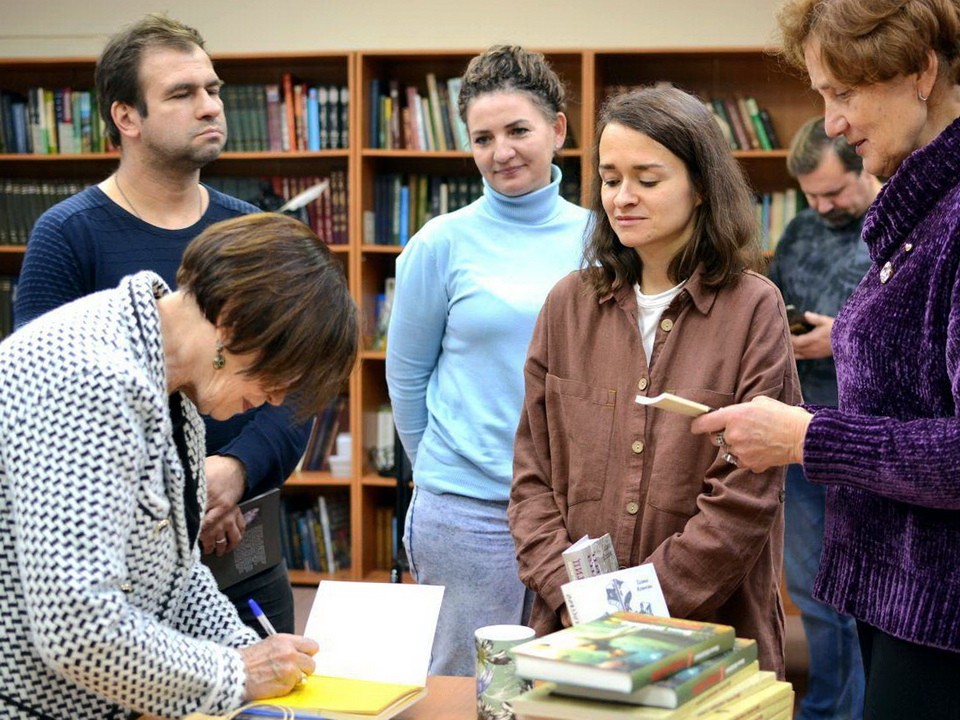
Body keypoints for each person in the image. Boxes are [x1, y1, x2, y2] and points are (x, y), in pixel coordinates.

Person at [692, 0, 960, 716]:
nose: (832, 122)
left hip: (941, 624)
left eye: (843, 93)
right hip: (902, 605)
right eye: (822, 95)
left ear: (921, 72)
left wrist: (807, 437)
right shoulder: (917, 215)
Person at [13, 13, 308, 635]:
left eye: (213, 90)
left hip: (244, 549)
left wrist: (234, 472)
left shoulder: (250, 233)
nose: (209, 107)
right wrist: (187, 495)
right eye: (182, 93)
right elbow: (53, 416)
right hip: (117, 576)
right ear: (127, 118)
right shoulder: (67, 236)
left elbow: (296, 385)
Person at [0, 212, 358, 719]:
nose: (274, 397)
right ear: (232, 324)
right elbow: (76, 627)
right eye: (279, 375)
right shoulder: (93, 382)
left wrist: (250, 652)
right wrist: (236, 672)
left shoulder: (171, 383)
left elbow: (177, 576)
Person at [507, 85, 800, 678]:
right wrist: (573, 596)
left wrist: (636, 609)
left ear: (699, 187)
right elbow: (532, 476)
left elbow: (746, 498)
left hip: (712, 633)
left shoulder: (753, 308)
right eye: (610, 179)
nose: (623, 197)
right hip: (574, 631)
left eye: (648, 178)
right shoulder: (567, 304)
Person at [385, 45, 590, 676]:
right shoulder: (441, 243)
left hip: (575, 511)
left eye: (519, 130)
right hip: (468, 511)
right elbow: (406, 374)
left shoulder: (602, 237)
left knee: (569, 682)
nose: (501, 152)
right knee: (468, 683)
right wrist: (441, 471)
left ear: (557, 128)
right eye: (483, 137)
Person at [768, 116, 878, 720]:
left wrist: (844, 338)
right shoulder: (801, 228)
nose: (821, 205)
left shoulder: (898, 228)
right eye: (811, 194)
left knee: (868, 596)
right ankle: (827, 709)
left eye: (833, 192)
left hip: (871, 436)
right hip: (800, 429)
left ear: (862, 163)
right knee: (813, 590)